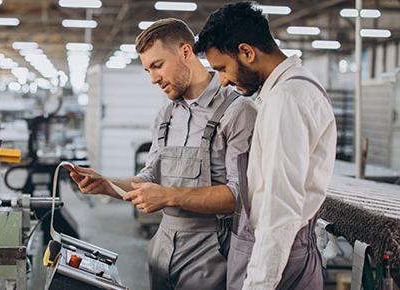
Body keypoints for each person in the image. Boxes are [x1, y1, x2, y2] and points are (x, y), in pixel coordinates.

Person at [68, 18, 256, 290]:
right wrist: (106, 185)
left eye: (157, 65)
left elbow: (239, 197)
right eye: (147, 70)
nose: (154, 78)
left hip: (213, 254)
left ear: (186, 52)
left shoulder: (237, 112)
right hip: (163, 245)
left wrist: (168, 195)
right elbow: (148, 177)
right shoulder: (165, 116)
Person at [194, 2, 337, 290]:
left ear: (247, 52)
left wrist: (259, 284)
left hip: (282, 260)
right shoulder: (288, 90)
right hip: (284, 250)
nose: (222, 82)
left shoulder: (288, 98)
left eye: (222, 68)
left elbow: (278, 207)